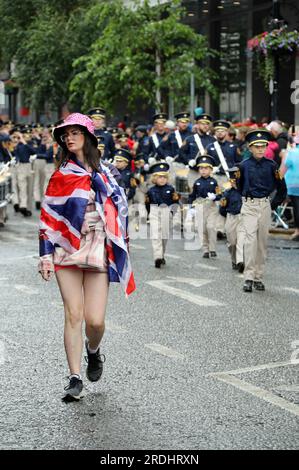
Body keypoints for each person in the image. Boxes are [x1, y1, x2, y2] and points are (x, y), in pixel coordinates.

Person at [38, 113, 136, 401]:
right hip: (66, 248)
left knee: (95, 322)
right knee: (74, 314)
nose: (69, 138)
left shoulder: (107, 174)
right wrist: (45, 256)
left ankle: (93, 352)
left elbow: (121, 211)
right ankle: (74, 377)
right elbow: (48, 219)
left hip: (97, 247)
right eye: (65, 134)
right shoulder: (60, 175)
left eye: (75, 133)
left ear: (89, 138)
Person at [237, 130, 287, 292]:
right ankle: (249, 277)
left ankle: (258, 276)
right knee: (250, 241)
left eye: (263, 146)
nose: (260, 149)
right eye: (256, 146)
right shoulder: (243, 166)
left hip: (265, 205)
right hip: (250, 205)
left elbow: (281, 189)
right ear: (250, 148)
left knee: (262, 243)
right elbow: (238, 186)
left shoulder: (272, 166)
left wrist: (272, 205)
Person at [146, 162, 180, 268]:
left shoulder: (171, 189)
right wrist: (148, 215)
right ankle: (157, 257)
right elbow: (147, 204)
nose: (162, 179)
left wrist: (173, 213)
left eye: (164, 177)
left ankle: (162, 255)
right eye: (160, 177)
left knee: (164, 237)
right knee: (156, 235)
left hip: (167, 212)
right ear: (155, 178)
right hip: (155, 212)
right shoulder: (151, 190)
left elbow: (175, 203)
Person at [188, 155, 221, 258]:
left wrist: (215, 197)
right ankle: (205, 249)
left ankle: (212, 249)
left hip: (211, 207)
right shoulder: (197, 182)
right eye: (201, 168)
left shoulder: (214, 181)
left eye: (206, 168)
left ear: (211, 169)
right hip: (200, 206)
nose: (203, 171)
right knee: (202, 229)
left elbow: (219, 194)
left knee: (211, 227)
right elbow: (192, 195)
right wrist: (191, 207)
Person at [219, 166, 245, 272]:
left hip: (242, 217)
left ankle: (240, 261)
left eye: (236, 181)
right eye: (232, 181)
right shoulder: (227, 193)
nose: (234, 183)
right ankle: (234, 260)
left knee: (241, 241)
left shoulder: (245, 192)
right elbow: (222, 209)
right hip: (231, 217)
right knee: (232, 242)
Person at [279, 141, 299, 241]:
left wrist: (278, 182)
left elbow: (283, 168)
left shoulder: (291, 152)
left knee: (297, 207)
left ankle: (298, 231)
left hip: (293, 184)